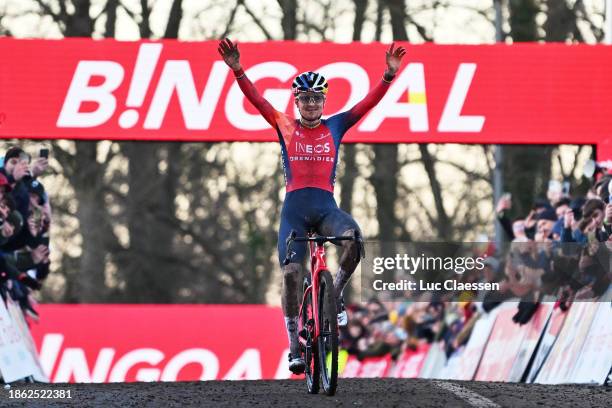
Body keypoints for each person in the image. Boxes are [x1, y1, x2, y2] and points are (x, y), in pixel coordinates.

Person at [218, 38, 406, 374]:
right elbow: (258, 100)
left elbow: (367, 105)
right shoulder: (285, 125)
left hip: (325, 209)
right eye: (305, 98)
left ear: (323, 100)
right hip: (294, 211)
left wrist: (388, 76)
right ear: (297, 101)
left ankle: (334, 294)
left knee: (353, 239)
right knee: (291, 274)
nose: (311, 104)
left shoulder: (335, 125)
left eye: (316, 98)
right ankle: (294, 344)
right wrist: (238, 70)